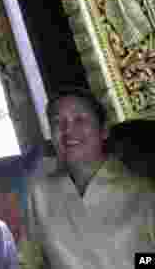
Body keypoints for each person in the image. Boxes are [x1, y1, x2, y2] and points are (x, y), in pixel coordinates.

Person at [19, 87, 155, 269]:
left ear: (104, 130)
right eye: (57, 123)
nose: (67, 130)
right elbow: (26, 263)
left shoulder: (143, 192)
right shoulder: (40, 194)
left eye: (79, 119)